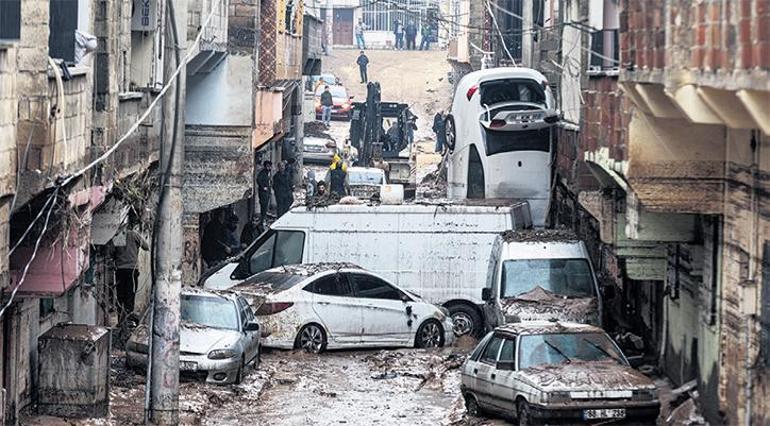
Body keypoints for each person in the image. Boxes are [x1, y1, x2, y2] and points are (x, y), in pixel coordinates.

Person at [112, 220, 149, 324]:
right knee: (130, 295)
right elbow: (146, 247)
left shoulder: (118, 235)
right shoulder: (134, 235)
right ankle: (128, 322)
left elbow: (111, 253)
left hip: (119, 270)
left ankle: (121, 320)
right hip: (131, 271)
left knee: (120, 296)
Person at [257, 161, 272, 225]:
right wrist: (263, 187)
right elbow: (258, 180)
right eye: (268, 166)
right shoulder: (263, 173)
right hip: (263, 192)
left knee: (265, 206)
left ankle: (264, 218)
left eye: (270, 166)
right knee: (263, 206)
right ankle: (262, 220)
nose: (269, 168)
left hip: (267, 192)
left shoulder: (267, 173)